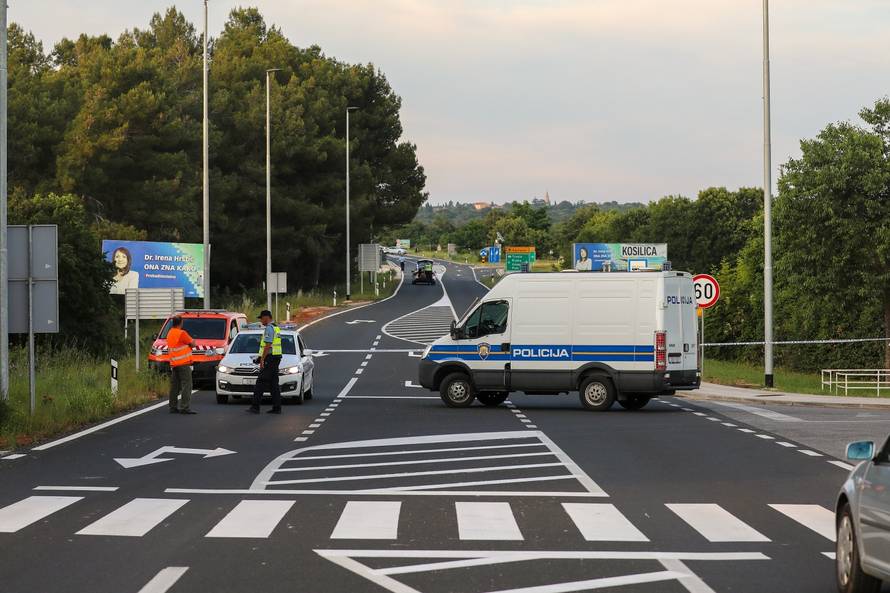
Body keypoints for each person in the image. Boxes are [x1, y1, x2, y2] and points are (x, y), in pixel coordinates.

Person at [248, 310, 282, 414]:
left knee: (260, 382)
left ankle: (255, 407)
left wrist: (262, 359)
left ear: (266, 317)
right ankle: (277, 408)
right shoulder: (276, 327)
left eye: (261, 318)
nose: (261, 321)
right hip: (275, 358)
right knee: (273, 384)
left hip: (270, 358)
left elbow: (268, 345)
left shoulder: (269, 328)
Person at [166, 315, 197, 414]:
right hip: (183, 363)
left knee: (174, 386)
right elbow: (193, 344)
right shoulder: (182, 333)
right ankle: (184, 407)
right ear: (181, 323)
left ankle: (173, 406)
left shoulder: (170, 333)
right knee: (187, 385)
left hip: (174, 363)